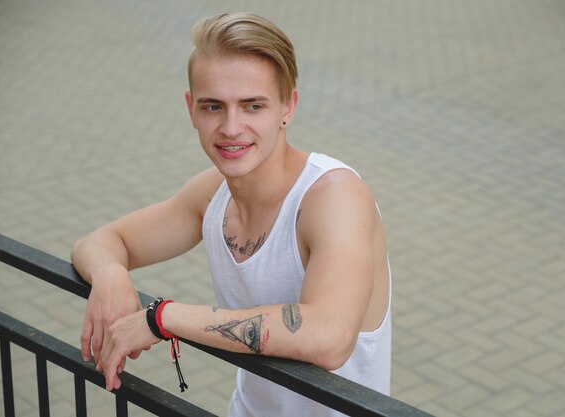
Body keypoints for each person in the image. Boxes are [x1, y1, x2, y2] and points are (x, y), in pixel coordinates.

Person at [71, 12, 391, 417]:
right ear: (191, 109)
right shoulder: (211, 195)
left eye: (253, 105)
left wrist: (160, 318)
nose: (231, 127)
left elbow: (328, 337)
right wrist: (111, 275)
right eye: (213, 106)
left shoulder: (333, 196)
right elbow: (96, 243)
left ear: (287, 106)